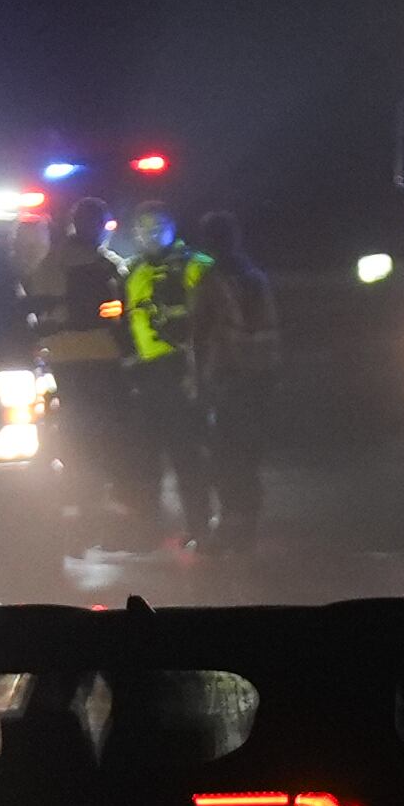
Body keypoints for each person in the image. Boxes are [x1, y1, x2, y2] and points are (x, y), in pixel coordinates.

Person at [35, 197, 138, 529]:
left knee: (76, 430)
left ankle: (81, 498)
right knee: (107, 430)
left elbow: (40, 309)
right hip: (102, 356)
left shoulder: (51, 262)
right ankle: (106, 498)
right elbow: (121, 314)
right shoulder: (109, 265)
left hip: (65, 359)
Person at [187, 209, 281, 552]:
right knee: (247, 455)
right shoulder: (253, 277)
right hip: (257, 378)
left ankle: (231, 525)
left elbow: (199, 333)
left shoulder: (214, 280)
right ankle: (246, 526)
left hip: (227, 377)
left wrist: (199, 380)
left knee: (226, 454)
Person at [120, 202, 214, 544]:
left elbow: (210, 316)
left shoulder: (196, 266)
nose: (150, 234)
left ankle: (200, 528)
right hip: (148, 374)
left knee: (187, 455)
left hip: (184, 369)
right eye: (143, 229)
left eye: (158, 227)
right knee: (144, 460)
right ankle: (147, 531)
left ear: (173, 227)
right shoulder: (134, 271)